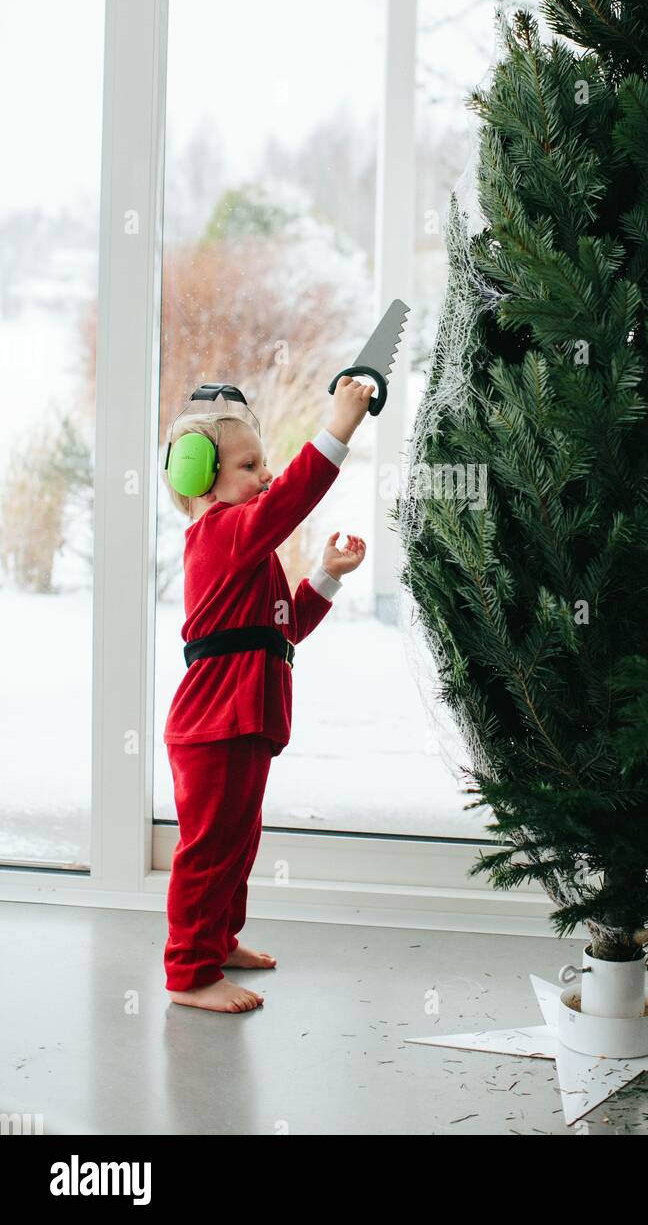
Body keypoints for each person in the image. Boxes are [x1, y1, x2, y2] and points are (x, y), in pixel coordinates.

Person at [161, 376, 372, 1012]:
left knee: (238, 840)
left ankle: (218, 941)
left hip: (243, 723)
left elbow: (285, 629)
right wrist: (338, 429)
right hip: (216, 725)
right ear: (199, 476)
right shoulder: (222, 536)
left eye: (264, 462)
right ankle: (189, 974)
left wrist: (325, 578)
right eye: (249, 465)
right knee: (209, 850)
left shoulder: (247, 554)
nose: (264, 475)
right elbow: (288, 502)